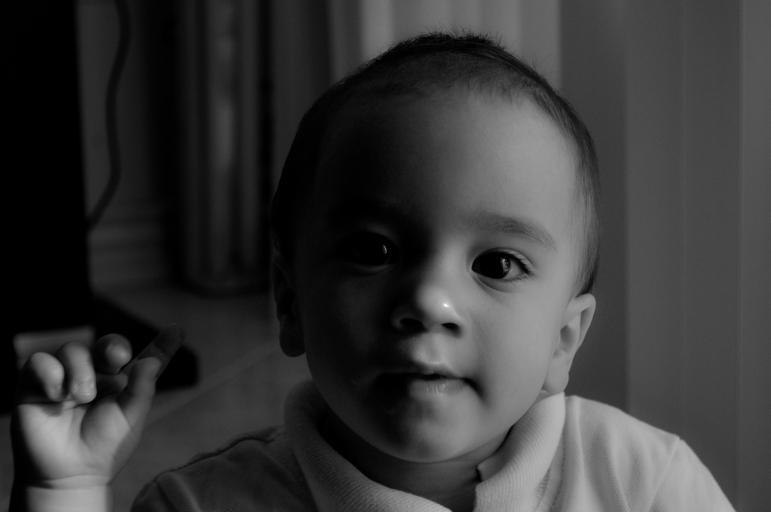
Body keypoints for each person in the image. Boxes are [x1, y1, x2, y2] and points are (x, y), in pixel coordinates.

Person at [11, 32, 735, 512]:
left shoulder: (643, 482)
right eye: (374, 251)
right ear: (290, 301)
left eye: (496, 263)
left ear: (564, 340)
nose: (428, 300)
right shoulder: (203, 505)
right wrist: (63, 489)